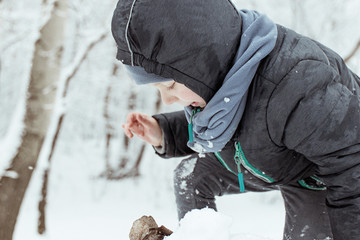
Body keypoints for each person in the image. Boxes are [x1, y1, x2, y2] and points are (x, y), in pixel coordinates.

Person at [111, 0, 360, 239]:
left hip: (329, 175)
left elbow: (351, 165)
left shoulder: (296, 85)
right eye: (159, 90)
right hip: (279, 158)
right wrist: (164, 132)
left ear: (202, 62)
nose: (167, 99)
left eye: (172, 85)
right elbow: (228, 125)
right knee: (191, 176)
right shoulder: (222, 79)